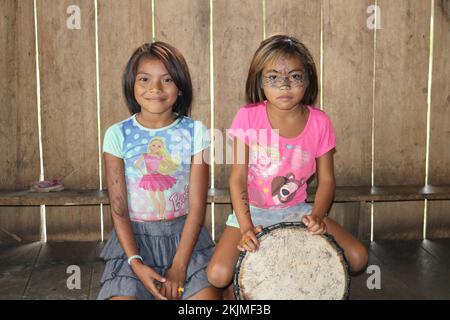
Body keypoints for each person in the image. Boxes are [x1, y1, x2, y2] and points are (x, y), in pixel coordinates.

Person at [206, 34, 369, 299]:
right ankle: (237, 289)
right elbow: (236, 179)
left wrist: (317, 216)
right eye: (273, 78)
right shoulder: (248, 116)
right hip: (253, 213)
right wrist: (246, 227)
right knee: (218, 274)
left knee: (358, 258)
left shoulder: (319, 122)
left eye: (295, 76)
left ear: (308, 80)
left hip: (298, 210)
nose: (285, 86)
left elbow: (326, 181)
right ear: (259, 80)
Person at [97, 41, 220, 300]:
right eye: (144, 79)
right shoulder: (117, 134)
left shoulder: (196, 132)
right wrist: (136, 263)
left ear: (180, 87)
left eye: (167, 80)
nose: (155, 88)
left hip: (186, 241)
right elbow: (118, 209)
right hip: (133, 243)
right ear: (132, 84)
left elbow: (197, 206)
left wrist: (179, 266)